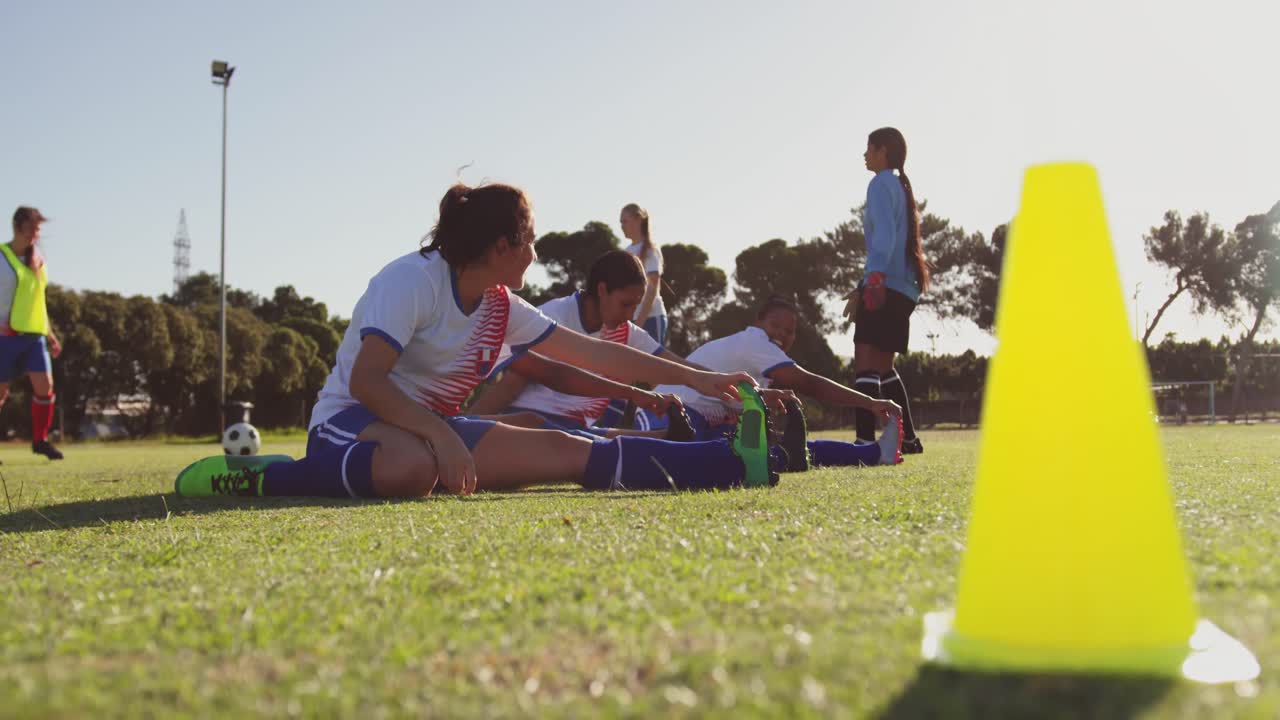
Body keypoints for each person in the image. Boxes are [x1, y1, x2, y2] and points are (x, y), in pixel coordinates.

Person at [176, 182, 784, 498]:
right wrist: (442, 434)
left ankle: (732, 464)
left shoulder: (499, 303)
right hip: (352, 420)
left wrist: (701, 379)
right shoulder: (411, 280)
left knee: (564, 446)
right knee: (414, 469)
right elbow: (366, 381)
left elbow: (593, 352)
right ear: (501, 247)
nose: (536, 253)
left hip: (428, 431)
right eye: (530, 241)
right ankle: (261, 476)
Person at [641, 296, 905, 469]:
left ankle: (875, 453)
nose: (781, 334)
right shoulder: (754, 341)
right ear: (757, 323)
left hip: (680, 418)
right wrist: (869, 402)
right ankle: (874, 454)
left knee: (776, 449)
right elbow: (808, 384)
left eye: (789, 332)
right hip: (665, 417)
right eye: (775, 325)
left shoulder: (757, 364)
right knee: (762, 456)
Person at [467, 250, 704, 438]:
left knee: (593, 440)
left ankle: (666, 437)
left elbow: (680, 368)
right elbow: (509, 386)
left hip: (577, 431)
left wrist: (728, 384)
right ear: (602, 290)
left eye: (636, 306)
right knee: (568, 436)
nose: (631, 315)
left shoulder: (626, 332)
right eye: (625, 304)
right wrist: (465, 427)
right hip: (526, 421)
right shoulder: (551, 317)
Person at [842, 127, 929, 454]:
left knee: (864, 360)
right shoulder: (900, 185)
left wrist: (873, 279)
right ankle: (907, 439)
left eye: (869, 148)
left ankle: (864, 442)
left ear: (883, 151)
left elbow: (885, 237)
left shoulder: (880, 183)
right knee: (883, 367)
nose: (865, 154)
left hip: (886, 284)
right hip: (904, 288)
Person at [1, 207, 64, 461]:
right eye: (33, 228)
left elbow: (38, 301)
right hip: (4, 336)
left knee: (45, 386)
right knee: (1, 392)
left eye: (39, 229)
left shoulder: (38, 261)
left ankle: (40, 440)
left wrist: (50, 334)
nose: (36, 234)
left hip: (34, 336)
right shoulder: (2, 257)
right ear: (18, 226)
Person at [619, 203, 667, 345]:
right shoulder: (626, 252)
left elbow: (652, 290)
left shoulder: (650, 250)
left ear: (638, 219)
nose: (622, 226)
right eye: (620, 222)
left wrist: (639, 324)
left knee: (653, 365)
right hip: (631, 321)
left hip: (651, 319)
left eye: (625, 221)